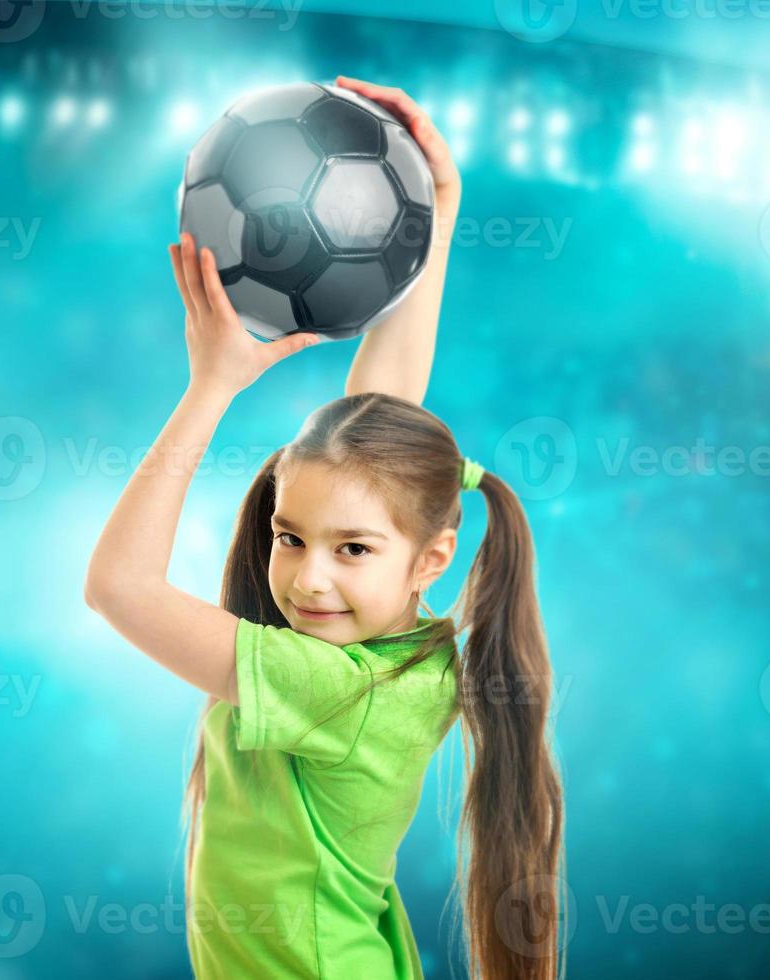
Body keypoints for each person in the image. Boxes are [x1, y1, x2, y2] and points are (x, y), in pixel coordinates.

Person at [84, 76, 565, 979]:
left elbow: (117, 589)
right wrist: (432, 217)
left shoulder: (336, 689)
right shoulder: (412, 655)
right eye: (289, 534)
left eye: (351, 551)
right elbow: (381, 433)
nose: (308, 580)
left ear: (432, 558)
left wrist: (212, 385)